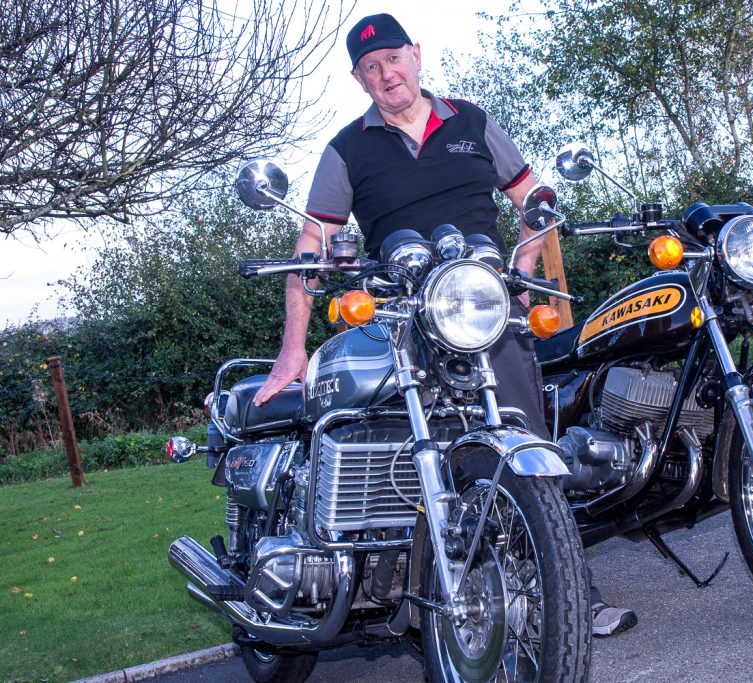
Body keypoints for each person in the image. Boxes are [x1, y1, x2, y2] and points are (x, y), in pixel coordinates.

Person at [252, 12, 636, 638]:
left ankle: (571, 597)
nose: (386, 74)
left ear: (417, 55)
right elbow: (312, 246)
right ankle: (415, 584)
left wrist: (520, 268)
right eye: (371, 68)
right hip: (402, 318)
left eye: (394, 59)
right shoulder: (346, 150)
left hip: (486, 313)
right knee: (400, 449)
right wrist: (291, 351)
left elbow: (535, 200)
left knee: (527, 442)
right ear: (359, 79)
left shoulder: (475, 122)